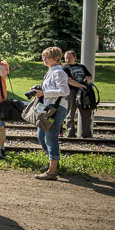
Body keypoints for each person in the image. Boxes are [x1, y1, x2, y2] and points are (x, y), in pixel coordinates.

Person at [33, 47, 70, 180]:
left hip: (56, 108)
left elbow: (65, 91)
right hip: (48, 106)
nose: (44, 59)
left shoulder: (58, 72)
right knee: (41, 136)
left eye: (47, 57)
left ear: (56, 59)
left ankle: (52, 171)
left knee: (50, 137)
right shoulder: (51, 71)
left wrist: (45, 93)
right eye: (43, 57)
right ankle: (53, 162)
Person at [62, 50, 94, 138]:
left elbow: (90, 77)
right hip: (71, 91)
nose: (67, 60)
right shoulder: (65, 68)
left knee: (86, 113)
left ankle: (86, 135)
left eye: (69, 58)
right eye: (66, 58)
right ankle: (70, 134)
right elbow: (69, 80)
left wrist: (87, 78)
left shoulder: (81, 66)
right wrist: (81, 85)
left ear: (75, 58)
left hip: (83, 93)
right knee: (70, 113)